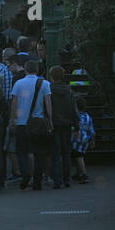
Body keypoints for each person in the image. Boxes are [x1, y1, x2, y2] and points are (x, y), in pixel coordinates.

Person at [9, 60, 52, 191]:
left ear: (25, 70)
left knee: (21, 151)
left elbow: (14, 103)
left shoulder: (18, 83)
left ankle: (26, 173)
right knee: (39, 152)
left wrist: (13, 119)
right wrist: (50, 121)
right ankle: (37, 181)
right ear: (37, 70)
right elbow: (48, 104)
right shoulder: (45, 84)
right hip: (38, 123)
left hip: (21, 123)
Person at [48, 65, 77, 190]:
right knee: (66, 153)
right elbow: (74, 109)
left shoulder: (49, 89)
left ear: (51, 76)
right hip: (67, 124)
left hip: (54, 124)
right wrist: (77, 126)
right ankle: (67, 179)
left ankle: (57, 180)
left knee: (56, 154)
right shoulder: (69, 91)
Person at [72, 97, 95, 183]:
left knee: (78, 156)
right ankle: (78, 173)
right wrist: (92, 141)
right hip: (85, 140)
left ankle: (84, 174)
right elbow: (92, 131)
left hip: (76, 140)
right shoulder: (88, 117)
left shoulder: (75, 116)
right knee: (79, 156)